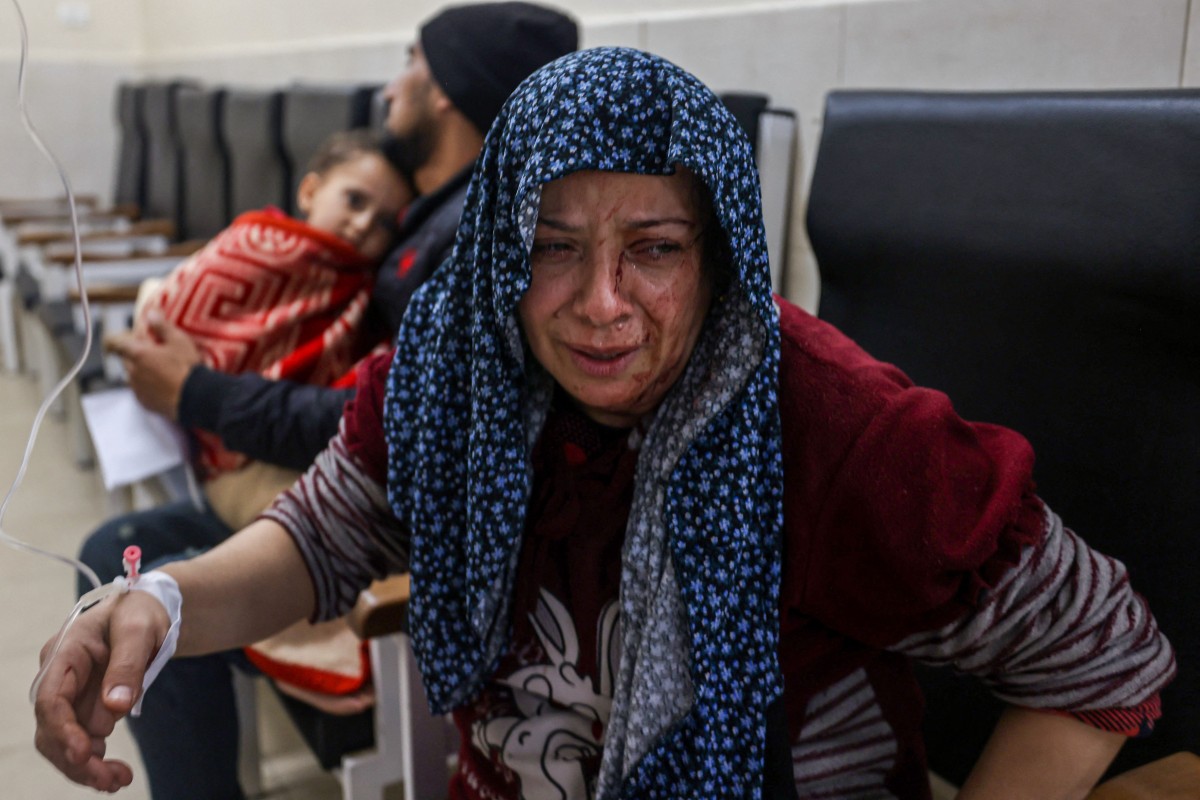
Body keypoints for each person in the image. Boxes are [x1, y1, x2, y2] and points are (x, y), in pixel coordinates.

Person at [35, 48, 1175, 800]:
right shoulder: (457, 361)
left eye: (657, 249)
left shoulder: (830, 426)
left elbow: (1097, 654)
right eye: (550, 245)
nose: (601, 305)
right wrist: (162, 600)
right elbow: (328, 537)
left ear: (721, 253)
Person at [70, 3, 578, 798]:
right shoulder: (424, 216)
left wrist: (198, 389)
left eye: (411, 61)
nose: (389, 87)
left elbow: (383, 422)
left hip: (382, 550)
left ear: (446, 89)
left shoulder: (471, 239)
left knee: (148, 592)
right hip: (332, 495)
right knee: (116, 553)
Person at [113, 127, 411, 486]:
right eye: (355, 201)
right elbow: (176, 309)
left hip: (270, 446)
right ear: (310, 192)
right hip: (188, 417)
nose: (363, 225)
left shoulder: (368, 294)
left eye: (384, 223)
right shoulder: (256, 245)